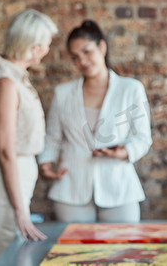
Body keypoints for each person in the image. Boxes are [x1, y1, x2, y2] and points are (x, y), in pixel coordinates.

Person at [38, 20, 152, 223]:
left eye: (87, 51)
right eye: (75, 57)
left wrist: (124, 152)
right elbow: (53, 137)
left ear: (102, 46)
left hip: (119, 188)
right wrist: (45, 164)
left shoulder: (131, 88)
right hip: (71, 189)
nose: (82, 61)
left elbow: (142, 138)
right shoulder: (62, 93)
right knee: (74, 253)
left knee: (123, 252)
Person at [0, 8, 58, 265]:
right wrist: (21, 212)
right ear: (34, 46)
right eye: (47, 45)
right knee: (1, 258)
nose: (47, 51)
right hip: (1, 187)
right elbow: (5, 149)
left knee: (8, 257)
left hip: (6, 182)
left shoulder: (14, 79)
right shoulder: (6, 83)